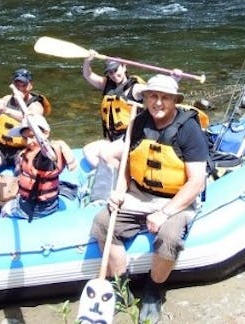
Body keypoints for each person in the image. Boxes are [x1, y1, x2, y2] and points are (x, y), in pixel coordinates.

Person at [89, 74, 209, 323]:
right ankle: (123, 287)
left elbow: (197, 181)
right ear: (144, 98)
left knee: (169, 238)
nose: (158, 102)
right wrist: (119, 191)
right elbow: (127, 167)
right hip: (139, 194)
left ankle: (154, 291)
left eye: (165, 97)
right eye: (153, 96)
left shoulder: (189, 130)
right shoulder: (138, 123)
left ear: (175, 100)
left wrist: (164, 213)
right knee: (102, 224)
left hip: (175, 199)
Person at [0, 114, 77, 221]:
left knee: (5, 208)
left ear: (46, 133)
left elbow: (46, 154)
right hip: (46, 203)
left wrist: (52, 145)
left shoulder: (45, 157)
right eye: (25, 138)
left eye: (32, 137)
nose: (28, 142)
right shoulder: (31, 151)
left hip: (35, 210)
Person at [82, 51, 146, 168]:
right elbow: (88, 75)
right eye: (110, 72)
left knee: (104, 154)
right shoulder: (107, 84)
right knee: (88, 150)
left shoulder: (136, 88)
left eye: (116, 70)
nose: (113, 74)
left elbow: (155, 92)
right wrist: (87, 60)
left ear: (124, 67)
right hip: (114, 139)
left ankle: (121, 177)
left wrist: (174, 79)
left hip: (131, 139)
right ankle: (109, 172)